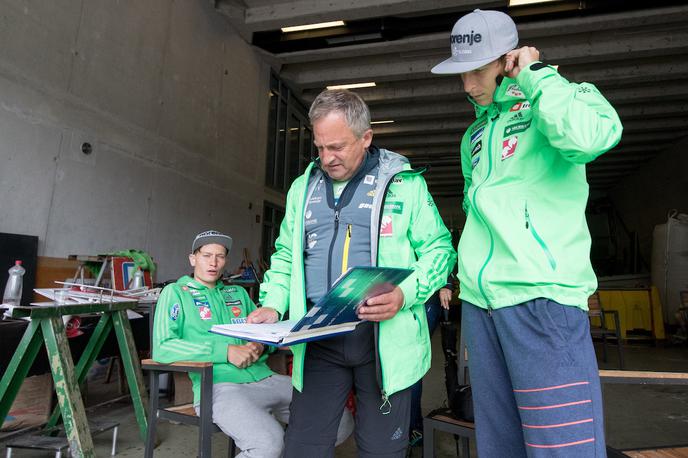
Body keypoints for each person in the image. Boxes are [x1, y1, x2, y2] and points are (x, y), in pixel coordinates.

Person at [431, 9, 623, 457]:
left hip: (542, 298)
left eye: (476, 70)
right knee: (500, 444)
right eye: (460, 72)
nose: (466, 84)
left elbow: (593, 137)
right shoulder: (475, 134)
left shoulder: (564, 97)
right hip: (483, 306)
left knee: (562, 446)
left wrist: (536, 76)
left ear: (506, 60)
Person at [249, 89, 456, 457]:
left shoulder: (405, 185)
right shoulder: (303, 187)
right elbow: (284, 255)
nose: (326, 158)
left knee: (381, 450)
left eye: (338, 147)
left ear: (366, 137)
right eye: (320, 147)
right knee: (302, 447)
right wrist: (273, 304)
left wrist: (404, 293)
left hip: (383, 342)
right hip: (319, 338)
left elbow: (440, 251)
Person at [152, 230, 292, 458]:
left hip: (265, 378)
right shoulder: (177, 293)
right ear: (193, 259)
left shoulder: (237, 292)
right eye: (207, 255)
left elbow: (261, 332)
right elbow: (163, 346)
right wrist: (225, 352)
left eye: (220, 256)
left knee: (337, 420)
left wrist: (261, 346)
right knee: (268, 444)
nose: (214, 263)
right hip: (219, 387)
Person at [408, 275, 456, 446]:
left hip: (427, 295)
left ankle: (413, 427)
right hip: (396, 291)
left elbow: (445, 250)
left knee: (411, 362)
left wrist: (447, 283)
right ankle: (402, 425)